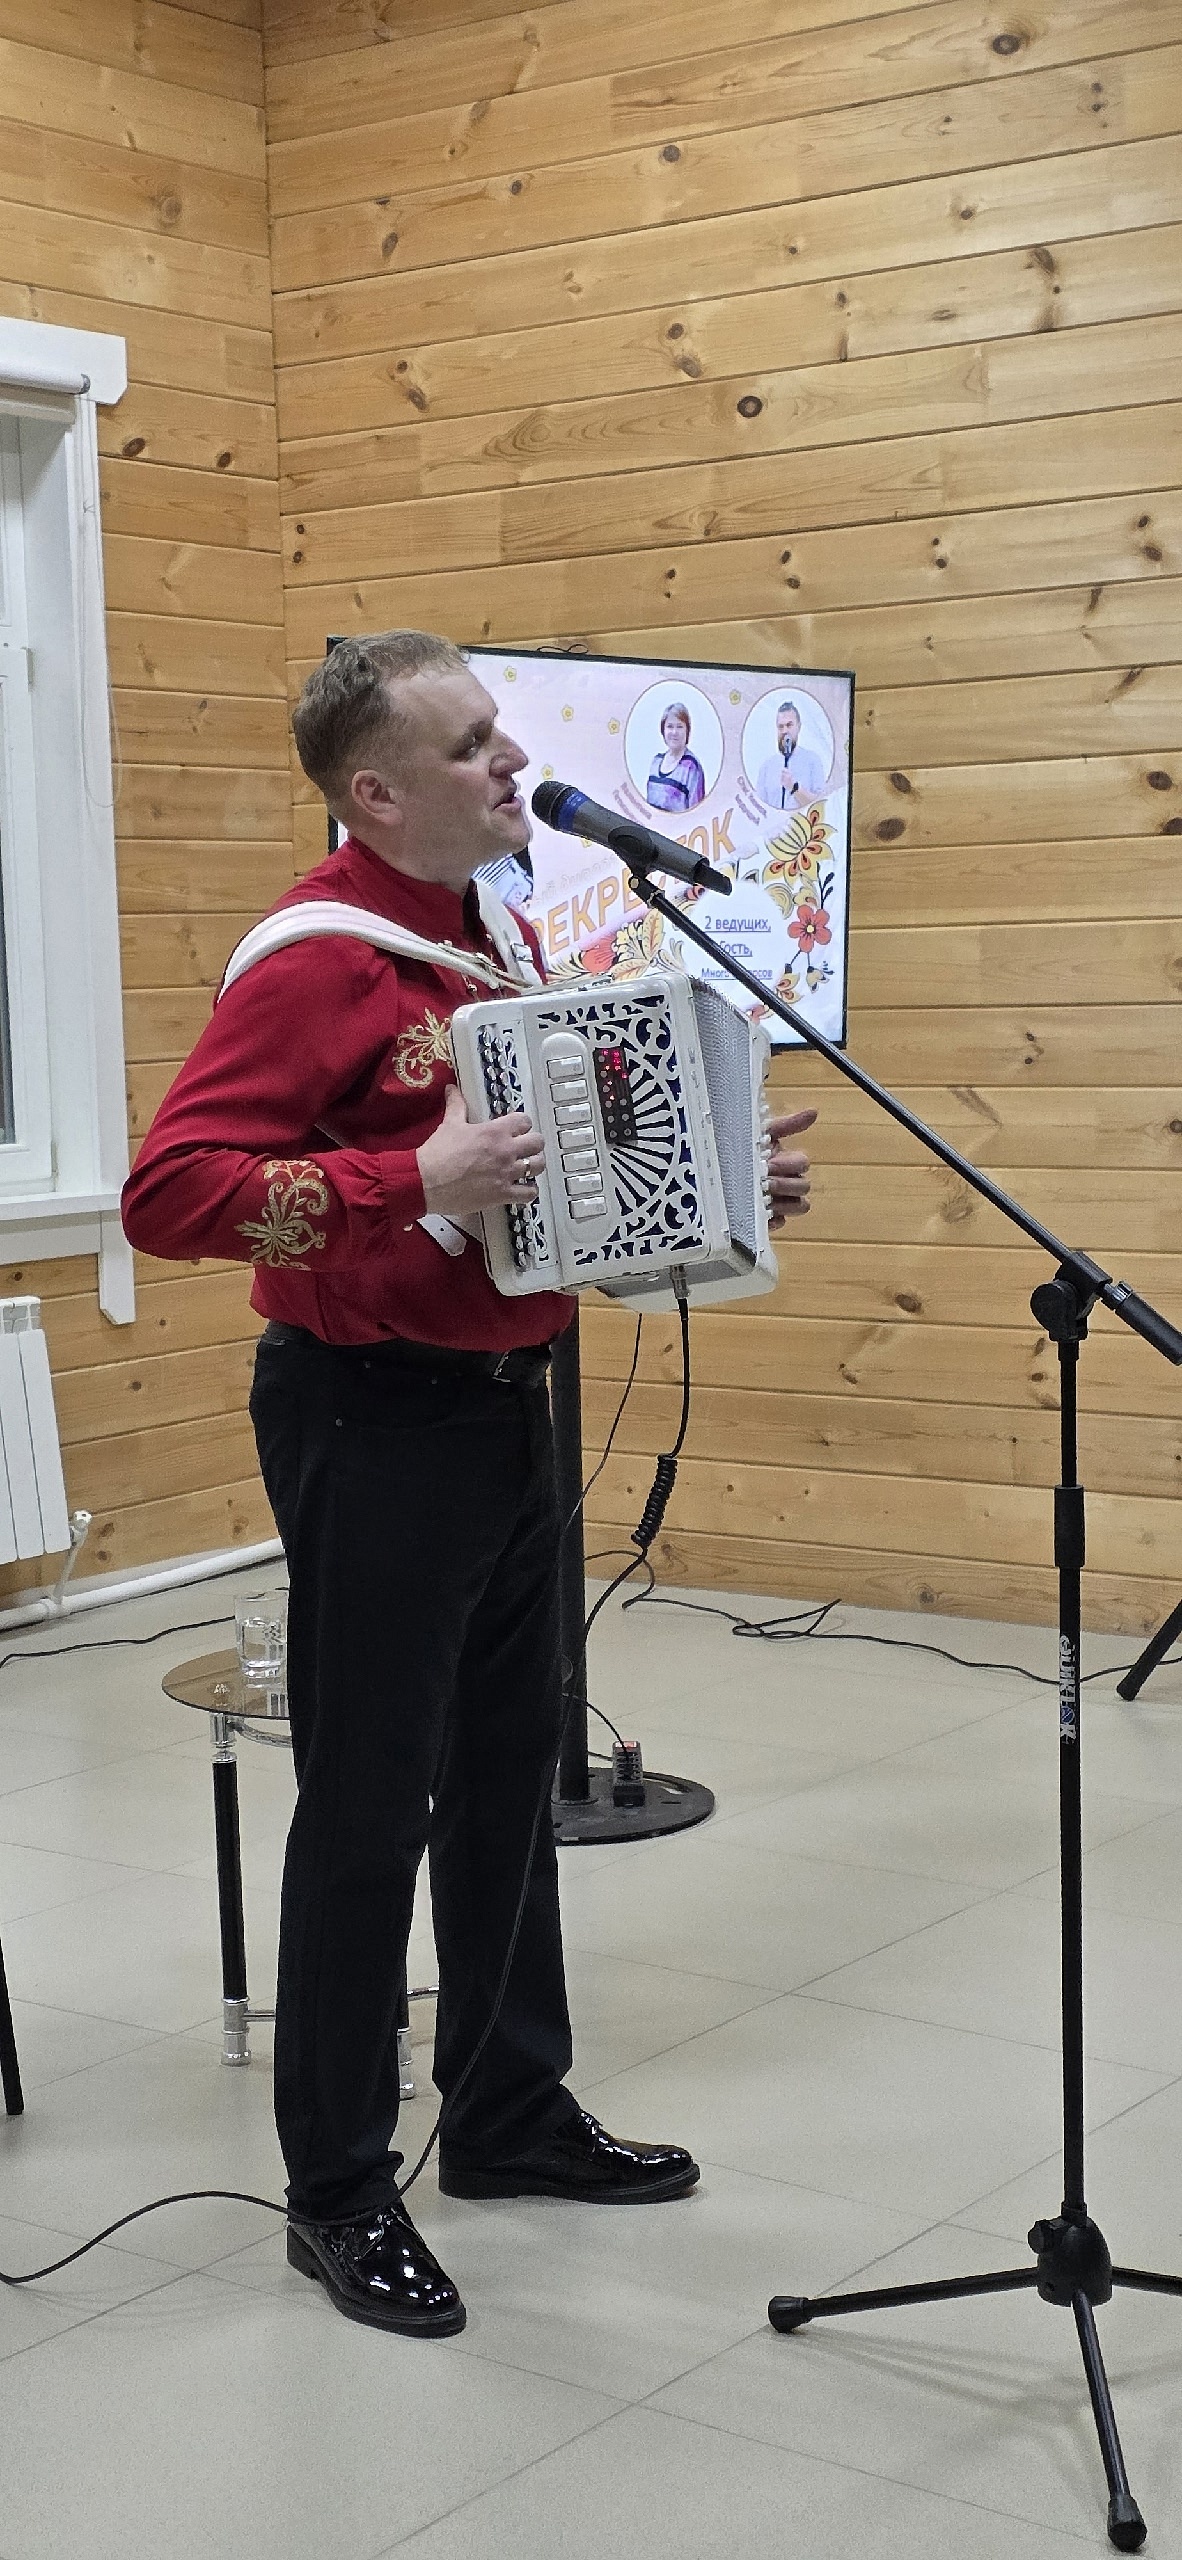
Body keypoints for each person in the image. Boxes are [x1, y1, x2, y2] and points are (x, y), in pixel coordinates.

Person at [121, 630, 816, 2341]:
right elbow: (170, 1192)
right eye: (471, 747)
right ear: (373, 792)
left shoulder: (487, 930)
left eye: (503, 736)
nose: (514, 764)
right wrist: (398, 1181)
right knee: (370, 1804)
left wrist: (714, 1180)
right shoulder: (315, 960)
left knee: (511, 1777)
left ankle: (506, 2109)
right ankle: (337, 2188)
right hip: (370, 1416)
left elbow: (534, 1183)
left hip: (511, 1400)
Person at [754, 700, 829, 810]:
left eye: (789, 725)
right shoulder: (766, 767)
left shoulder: (812, 761)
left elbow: (820, 805)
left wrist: (793, 787)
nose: (785, 731)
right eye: (781, 726)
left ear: (798, 727)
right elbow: (760, 808)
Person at [645, 701, 706, 812]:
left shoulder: (692, 767)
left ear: (687, 731)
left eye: (679, 727)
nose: (674, 732)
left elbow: (696, 815)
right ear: (663, 730)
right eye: (670, 726)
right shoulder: (656, 761)